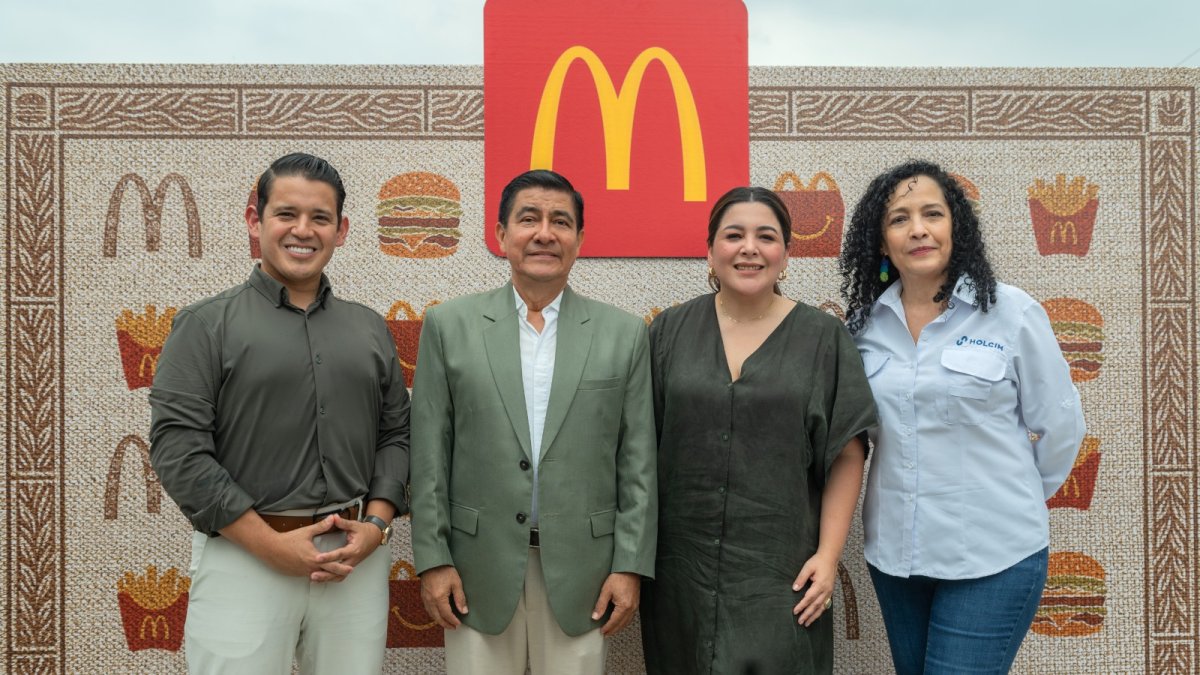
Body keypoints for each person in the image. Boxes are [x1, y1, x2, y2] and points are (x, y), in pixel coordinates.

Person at [149, 152, 410, 675]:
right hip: (244, 559)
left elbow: (397, 435)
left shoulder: (369, 329)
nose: (303, 230)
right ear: (255, 220)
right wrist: (269, 546)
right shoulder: (205, 325)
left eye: (320, 218)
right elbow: (178, 450)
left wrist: (377, 526)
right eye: (286, 214)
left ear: (342, 230)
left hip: (352, 564)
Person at [839, 160, 1086, 674]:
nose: (919, 229)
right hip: (895, 558)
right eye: (899, 219)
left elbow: (1061, 424)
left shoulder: (1010, 313)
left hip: (994, 553)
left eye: (933, 213)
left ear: (957, 228)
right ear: (881, 242)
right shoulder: (862, 327)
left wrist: (1012, 493)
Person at [409, 169, 657, 675]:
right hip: (475, 568)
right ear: (501, 234)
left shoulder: (624, 334)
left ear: (580, 239)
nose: (545, 233)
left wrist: (629, 565)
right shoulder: (448, 326)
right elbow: (429, 452)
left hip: (584, 572)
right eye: (529, 219)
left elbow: (638, 463)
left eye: (560, 222)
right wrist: (433, 560)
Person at [640, 186, 877, 674]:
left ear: (786, 254)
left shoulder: (822, 337)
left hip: (781, 576)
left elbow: (848, 450)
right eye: (734, 235)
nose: (749, 248)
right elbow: (636, 450)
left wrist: (829, 557)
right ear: (710, 251)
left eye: (766, 236)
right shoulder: (668, 333)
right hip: (679, 572)